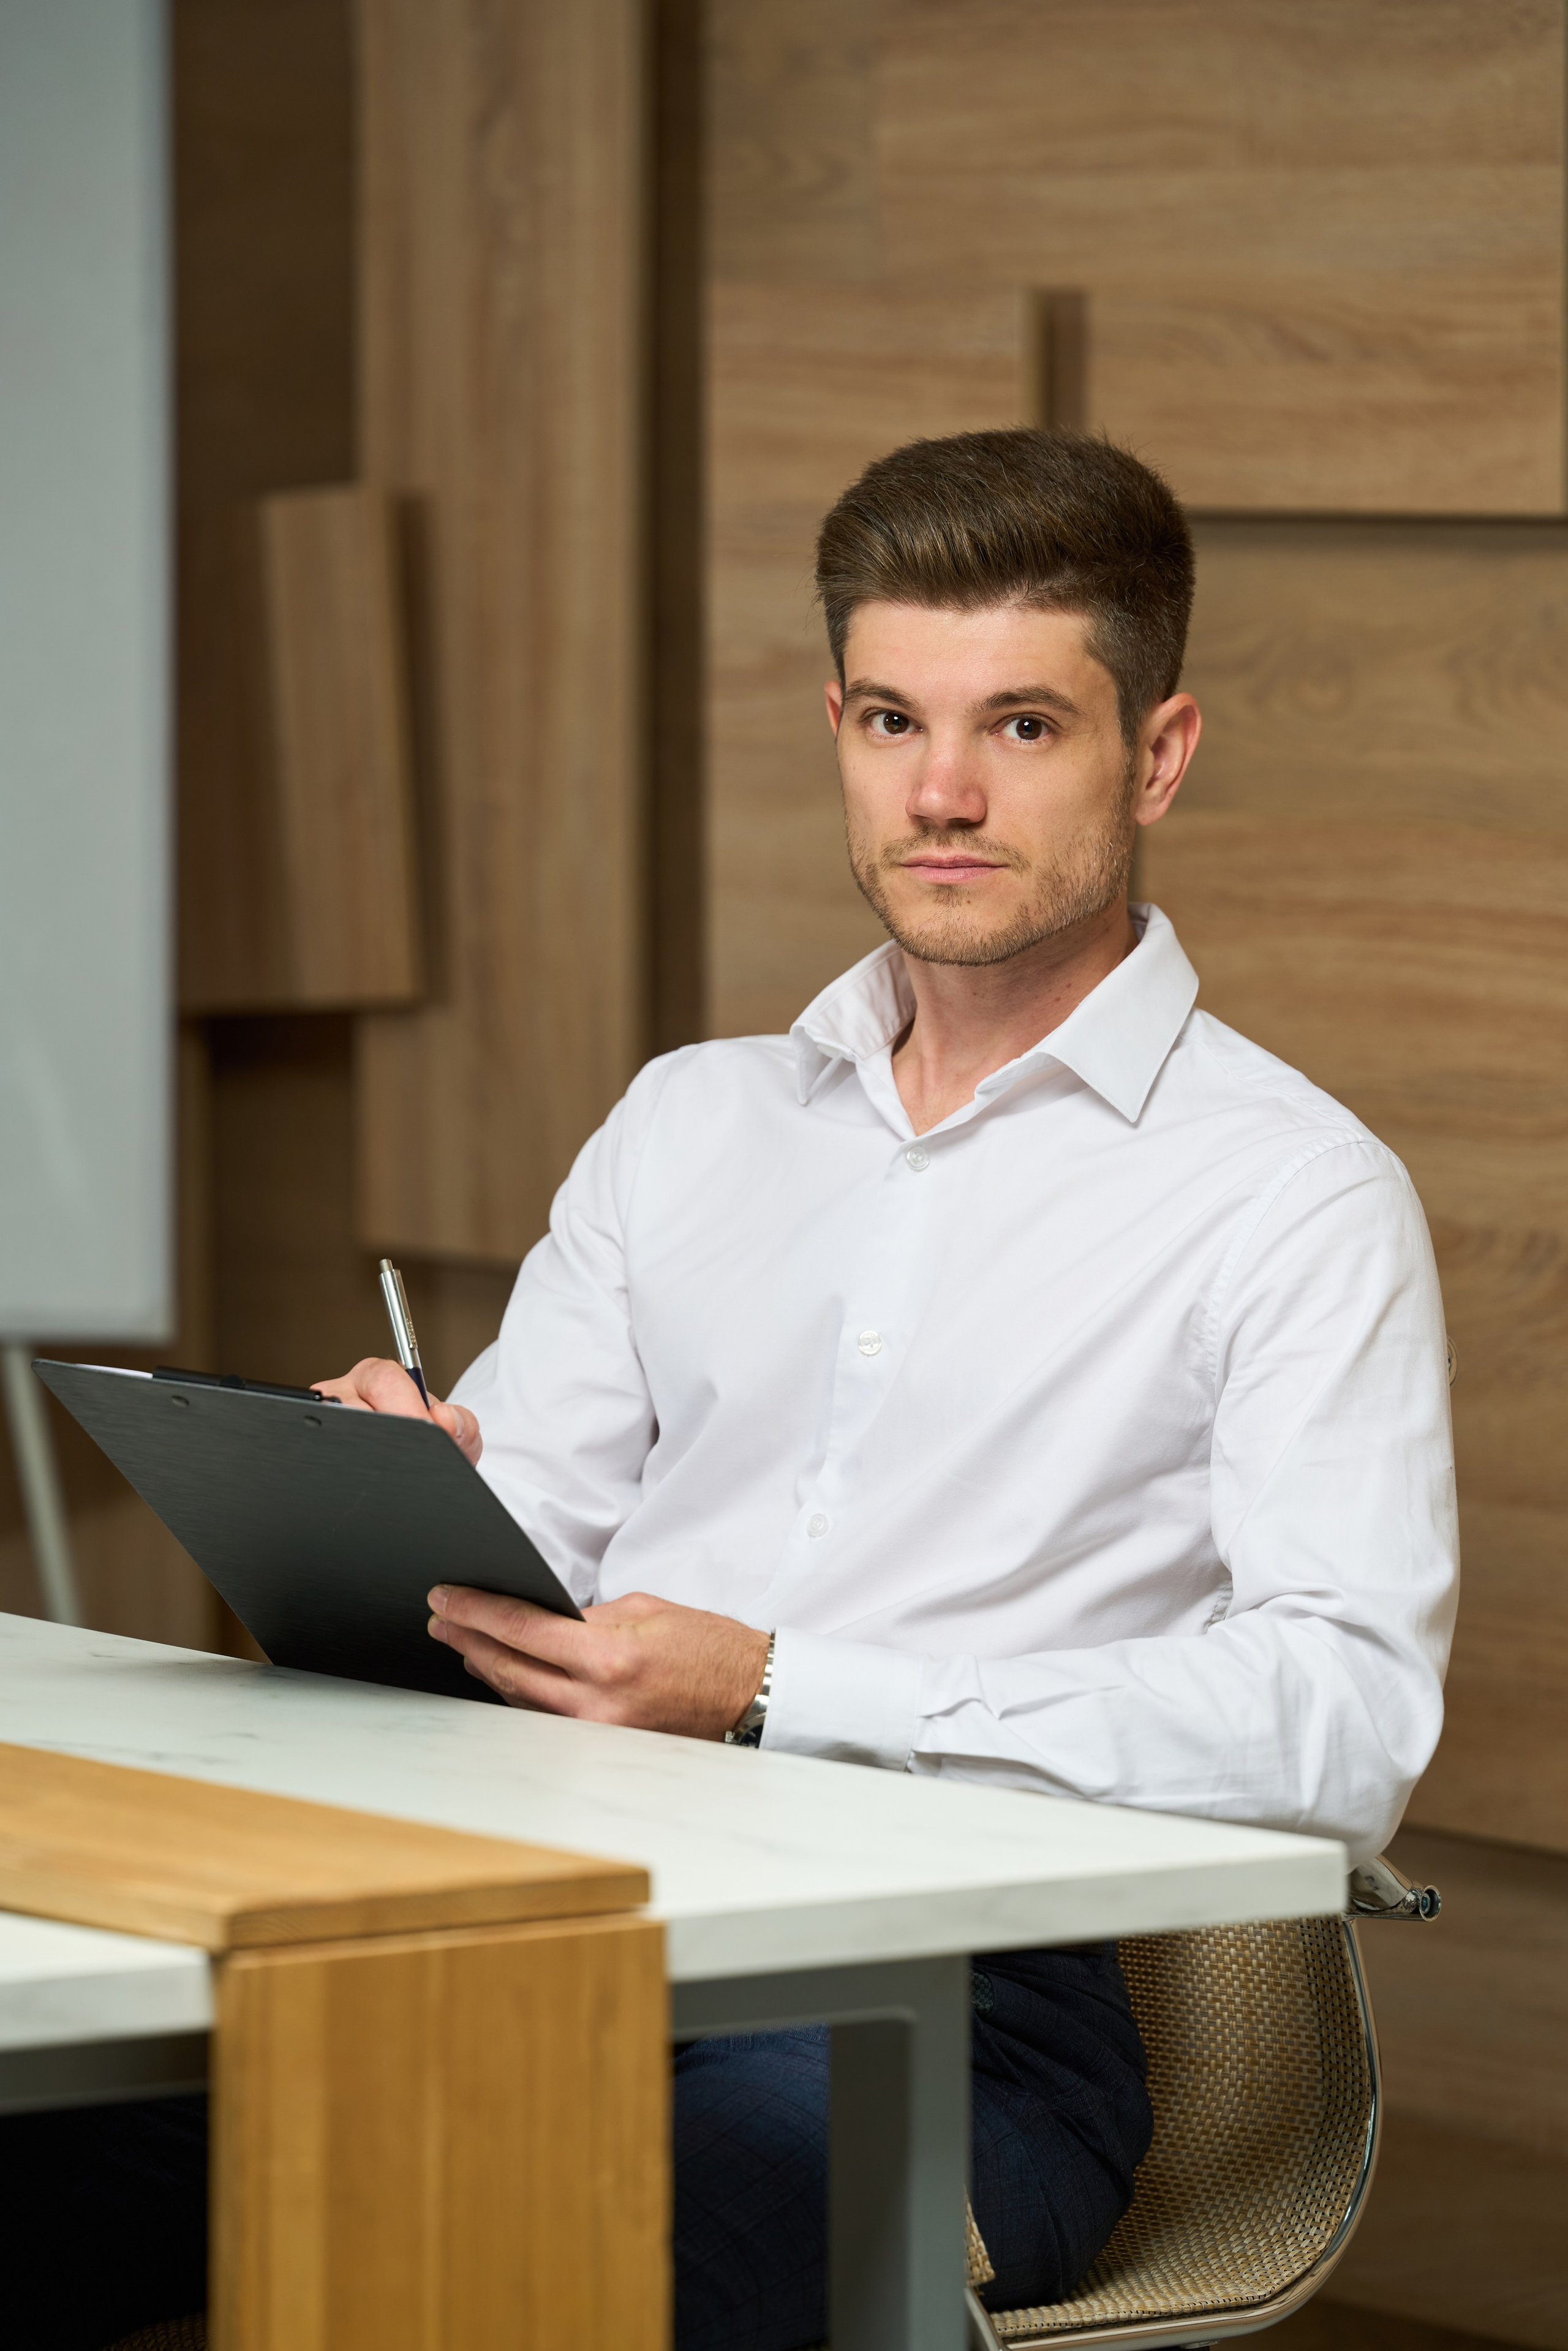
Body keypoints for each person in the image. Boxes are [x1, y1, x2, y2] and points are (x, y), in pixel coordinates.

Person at [0, 429, 1458, 2351]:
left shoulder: (1292, 1195)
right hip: (529, 1913)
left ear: (1157, 754)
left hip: (957, 2005)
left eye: (1021, 727)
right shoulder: (692, 1123)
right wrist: (418, 1496)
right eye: (888, 719)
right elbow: (540, 1559)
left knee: (575, 2245)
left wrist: (775, 1689)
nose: (939, 793)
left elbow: (1343, 1720)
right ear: (838, 729)